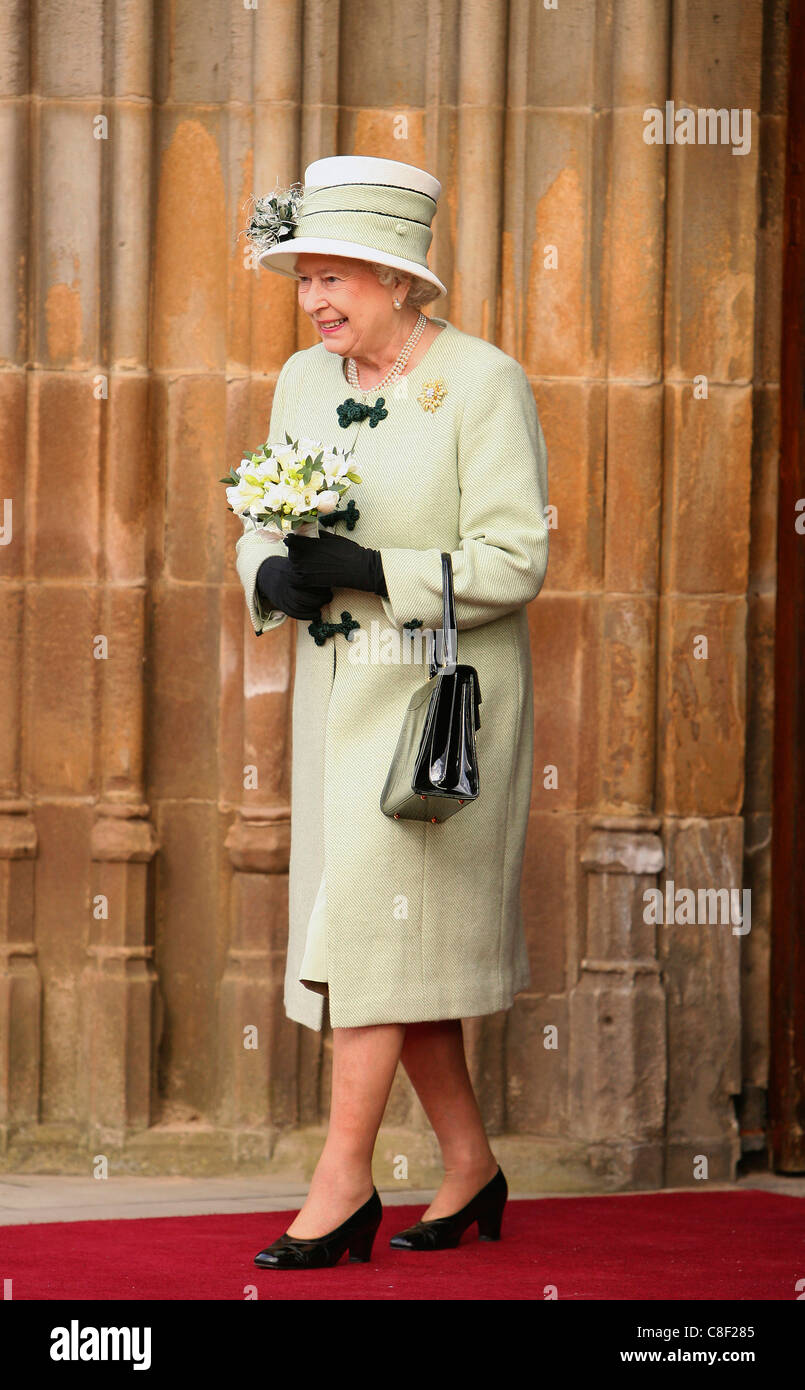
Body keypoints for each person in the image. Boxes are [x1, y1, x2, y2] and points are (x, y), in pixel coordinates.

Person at [233, 155, 550, 1269]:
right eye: (305, 277)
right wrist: (265, 574)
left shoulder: (481, 381)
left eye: (340, 278)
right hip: (336, 698)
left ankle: (341, 1184)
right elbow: (261, 511)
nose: (317, 299)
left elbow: (517, 559)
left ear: (404, 281)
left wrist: (376, 565)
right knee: (389, 951)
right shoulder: (301, 379)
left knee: (363, 932)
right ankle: (470, 1166)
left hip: (437, 707)